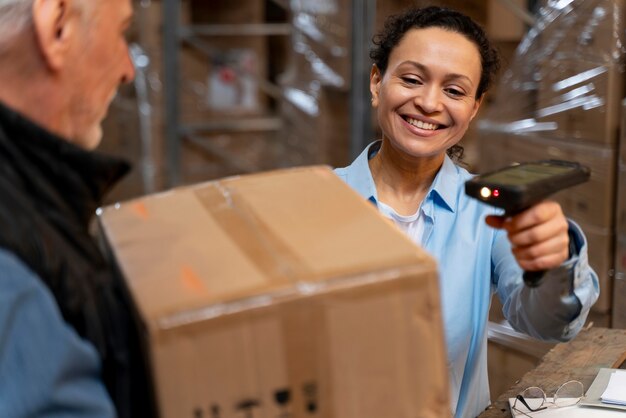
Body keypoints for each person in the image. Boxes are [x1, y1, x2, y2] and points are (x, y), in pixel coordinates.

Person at [335, 6, 599, 418]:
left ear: (474, 108)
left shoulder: (487, 212)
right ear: (376, 82)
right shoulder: (316, 202)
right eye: (411, 79)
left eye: (455, 91)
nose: (427, 102)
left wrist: (553, 264)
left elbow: (548, 324)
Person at [0, 0, 158, 417]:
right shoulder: (12, 280)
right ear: (57, 28)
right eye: (121, 32)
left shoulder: (27, 205)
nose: (128, 68)